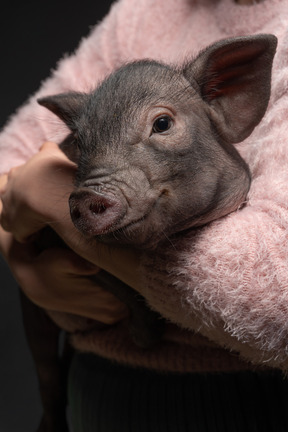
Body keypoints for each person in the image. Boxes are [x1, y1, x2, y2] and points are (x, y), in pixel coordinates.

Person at [1, 0, 288, 430]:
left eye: (160, 125)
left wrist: (55, 207)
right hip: (97, 391)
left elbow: (277, 298)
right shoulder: (144, 11)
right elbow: (10, 158)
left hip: (248, 400)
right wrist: (15, 244)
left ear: (230, 91)